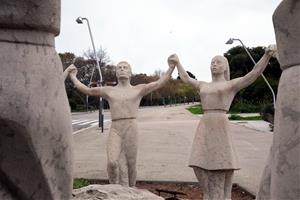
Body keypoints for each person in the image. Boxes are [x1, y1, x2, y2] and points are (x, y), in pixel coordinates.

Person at [168, 45, 276, 200]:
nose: (214, 65)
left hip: (220, 124)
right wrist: (178, 63)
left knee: (220, 167)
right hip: (205, 124)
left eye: (218, 62)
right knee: (197, 163)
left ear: (225, 67)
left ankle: (220, 196)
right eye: (212, 62)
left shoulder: (230, 85)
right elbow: (186, 78)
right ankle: (207, 192)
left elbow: (253, 74)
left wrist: (266, 56)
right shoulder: (203, 85)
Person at [66, 57, 175, 187]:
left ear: (130, 73)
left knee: (130, 163)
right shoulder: (109, 90)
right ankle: (114, 189)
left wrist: (171, 67)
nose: (122, 69)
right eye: (119, 67)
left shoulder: (138, 89)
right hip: (116, 128)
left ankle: (131, 188)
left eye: (125, 67)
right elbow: (88, 90)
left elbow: (158, 83)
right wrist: (73, 77)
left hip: (131, 127)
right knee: (112, 161)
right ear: (116, 73)